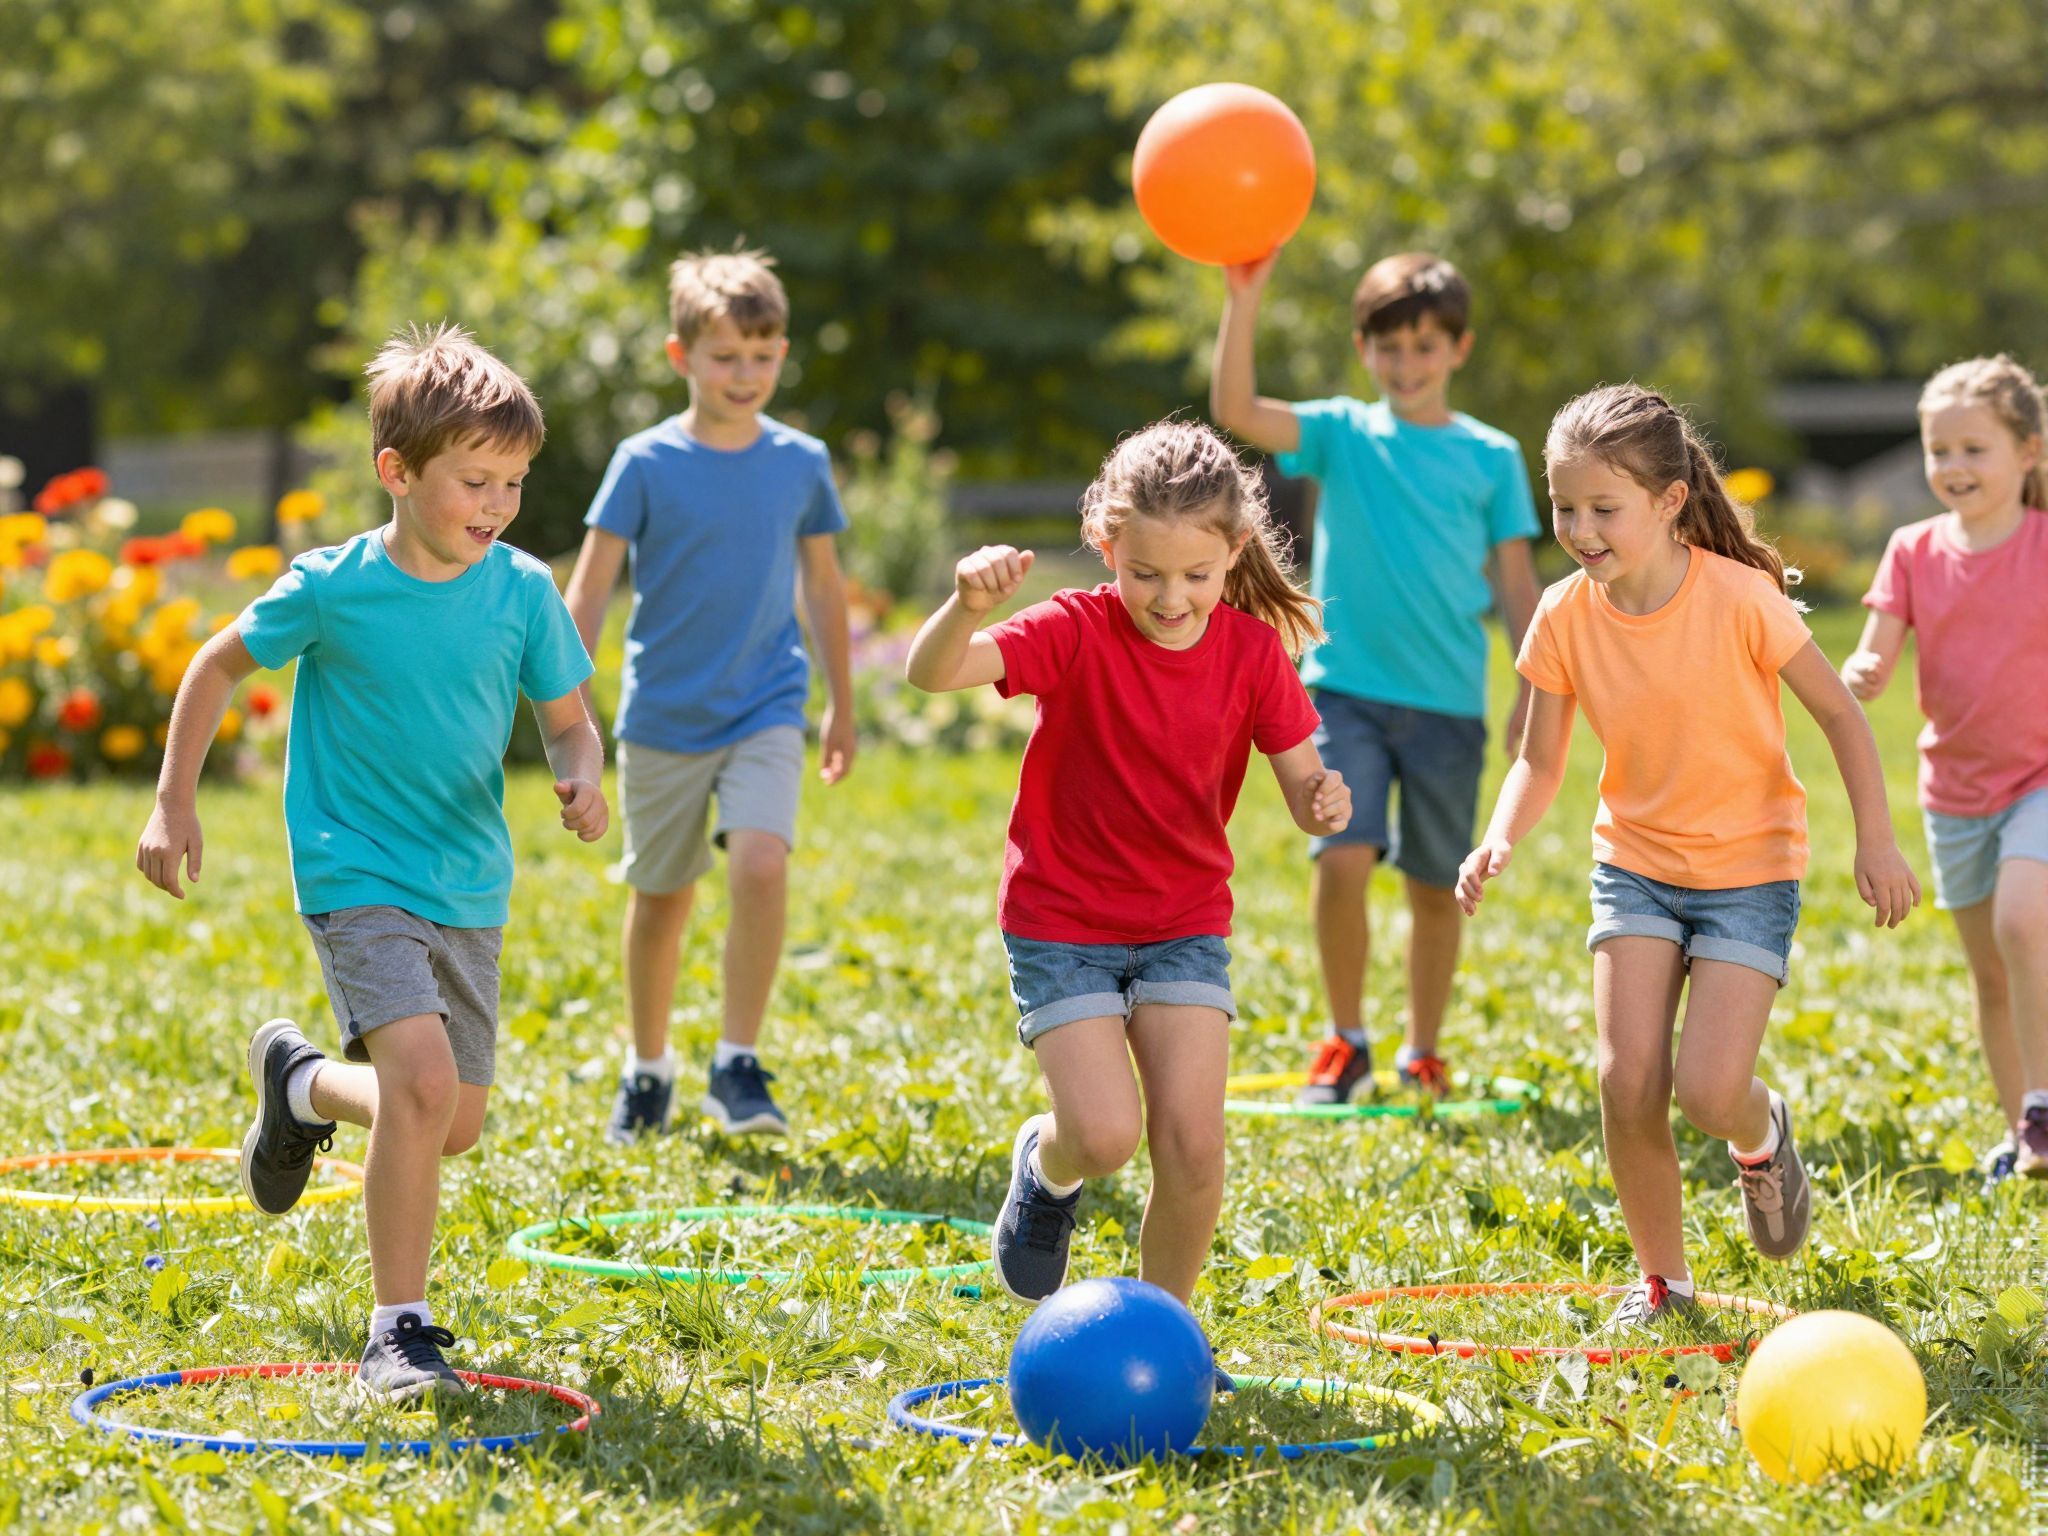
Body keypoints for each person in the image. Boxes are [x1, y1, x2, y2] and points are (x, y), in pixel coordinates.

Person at [136, 323, 605, 1397]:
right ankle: (398, 1330)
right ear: (396, 472)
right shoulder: (332, 586)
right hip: (355, 867)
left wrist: (580, 774)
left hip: (467, 878)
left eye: (514, 483)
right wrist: (174, 805)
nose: (495, 505)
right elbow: (211, 669)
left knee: (453, 1121)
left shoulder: (524, 592)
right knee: (426, 1084)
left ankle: (299, 1085)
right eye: (474, 480)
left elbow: (570, 723)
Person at [1457, 383, 1919, 1331]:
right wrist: (1501, 834)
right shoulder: (1562, 614)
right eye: (1566, 507)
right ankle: (1665, 1281)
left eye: (1604, 509)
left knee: (1708, 1093)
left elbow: (1838, 712)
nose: (1580, 530)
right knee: (1626, 1081)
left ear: (1670, 503)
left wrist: (1874, 836)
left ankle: (1762, 1135)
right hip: (1634, 866)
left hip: (1750, 871)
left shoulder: (1740, 598)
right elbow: (1541, 759)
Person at [905, 419, 1351, 1304]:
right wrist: (965, 604)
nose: (1171, 597)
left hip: (1183, 923)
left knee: (1192, 1149)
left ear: (1234, 552)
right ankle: (1050, 1163)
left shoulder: (1255, 654)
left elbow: (1305, 780)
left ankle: (1167, 1329)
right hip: (1063, 920)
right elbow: (932, 673)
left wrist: (1319, 801)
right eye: (1145, 573)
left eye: (1195, 575)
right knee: (1106, 1136)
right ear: (1107, 548)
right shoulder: (1074, 628)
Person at [1211, 249, 1540, 1104]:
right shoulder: (1342, 433)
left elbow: (1515, 582)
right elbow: (1236, 409)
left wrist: (1536, 691)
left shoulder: (1492, 455)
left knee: (1437, 887)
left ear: (1459, 350)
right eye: (1389, 348)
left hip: (1448, 705)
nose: (1407, 365)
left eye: (1426, 347)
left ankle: (1421, 1049)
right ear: (1364, 348)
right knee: (1341, 858)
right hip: (1345, 690)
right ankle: (1346, 1039)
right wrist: (1243, 298)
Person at [563, 246, 853, 1142]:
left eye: (764, 357)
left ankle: (737, 1062)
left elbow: (825, 587)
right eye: (726, 357)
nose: (747, 375)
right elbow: (591, 590)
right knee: (663, 898)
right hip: (663, 716)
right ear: (680, 356)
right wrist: (567, 716)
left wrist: (843, 699)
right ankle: (648, 1068)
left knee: (762, 862)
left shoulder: (800, 462)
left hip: (766, 700)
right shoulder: (643, 463)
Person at [1842, 354, 2048, 1182]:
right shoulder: (1912, 549)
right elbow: (1875, 652)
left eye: (1974, 449)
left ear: (2027, 451)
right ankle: (2023, 1134)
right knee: (1992, 976)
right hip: (1955, 791)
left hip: (2038, 777)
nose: (1952, 468)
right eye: (1939, 451)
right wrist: (1861, 672)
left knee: (2022, 924)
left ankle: (2043, 1105)